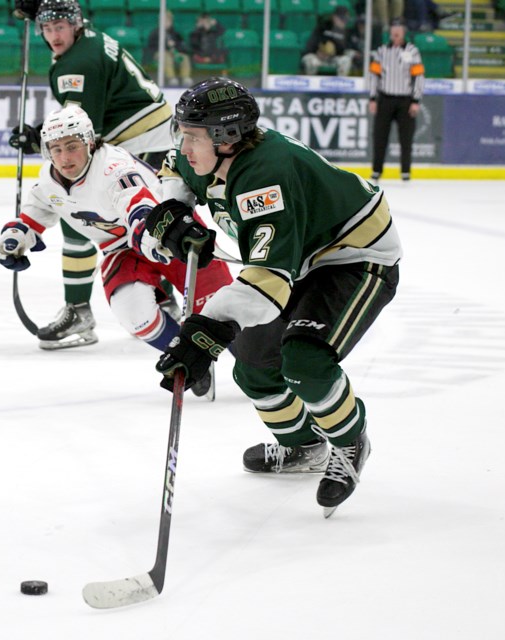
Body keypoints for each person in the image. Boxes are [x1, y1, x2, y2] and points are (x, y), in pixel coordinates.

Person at [148, 77, 401, 516]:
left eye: (192, 136)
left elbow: (267, 281)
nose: (184, 146)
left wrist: (206, 330)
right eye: (182, 132)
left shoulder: (267, 177)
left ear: (226, 138)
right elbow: (174, 167)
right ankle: (304, 446)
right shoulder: (209, 154)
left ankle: (347, 440)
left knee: (305, 361)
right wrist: (174, 208)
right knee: (253, 367)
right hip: (296, 256)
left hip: (353, 255)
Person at [0, 105, 234, 397]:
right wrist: (15, 237)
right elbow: (35, 214)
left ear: (90, 142)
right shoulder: (49, 179)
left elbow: (138, 206)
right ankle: (189, 359)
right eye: (56, 149)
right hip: (121, 250)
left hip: (171, 235)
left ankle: (270, 368)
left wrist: (149, 238)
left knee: (226, 314)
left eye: (72, 146)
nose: (64, 157)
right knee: (133, 311)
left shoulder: (113, 168)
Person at [9, 0, 174, 350]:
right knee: (139, 221)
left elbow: (84, 131)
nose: (54, 35)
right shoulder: (88, 42)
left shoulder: (79, 64)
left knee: (80, 214)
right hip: (149, 137)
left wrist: (38, 136)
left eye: (60, 27)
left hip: (140, 142)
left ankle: (82, 309)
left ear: (76, 25)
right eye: (48, 28)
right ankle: (166, 299)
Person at [368, 19, 424, 183]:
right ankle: (376, 171)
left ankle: (405, 172)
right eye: (393, 31)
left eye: (398, 31)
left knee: (406, 138)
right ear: (390, 33)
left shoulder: (412, 51)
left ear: (403, 32)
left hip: (405, 100)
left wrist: (416, 100)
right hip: (385, 99)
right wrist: (372, 97)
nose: (396, 34)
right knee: (379, 136)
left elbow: (419, 77)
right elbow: (374, 76)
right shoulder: (381, 51)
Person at [301, 6, 355, 76]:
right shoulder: (323, 27)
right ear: (334, 17)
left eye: (346, 19)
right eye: (341, 19)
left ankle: (341, 83)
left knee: (345, 60)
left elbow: (345, 51)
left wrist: (333, 54)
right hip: (317, 57)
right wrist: (319, 53)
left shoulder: (346, 33)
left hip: (333, 59)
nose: (344, 22)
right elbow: (310, 46)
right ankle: (311, 84)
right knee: (311, 61)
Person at [146, 10, 193, 87]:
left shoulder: (175, 33)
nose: (165, 23)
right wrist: (166, 45)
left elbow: (182, 45)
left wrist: (177, 48)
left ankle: (185, 78)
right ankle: (172, 79)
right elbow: (152, 46)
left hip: (174, 53)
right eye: (163, 21)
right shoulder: (155, 33)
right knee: (166, 56)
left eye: (167, 21)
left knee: (184, 57)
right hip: (159, 54)